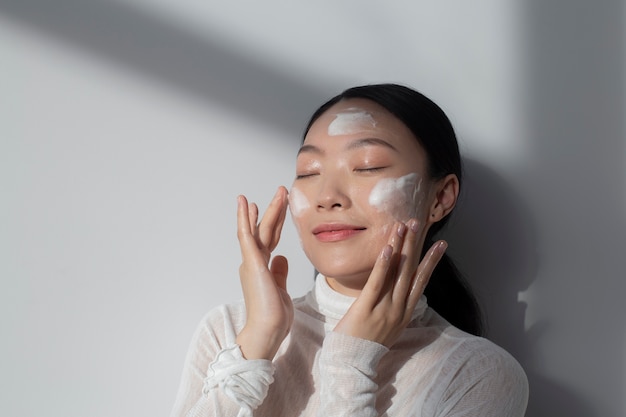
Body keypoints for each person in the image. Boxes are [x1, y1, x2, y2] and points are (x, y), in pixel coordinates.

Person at [170, 84, 529, 417]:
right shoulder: (230, 332)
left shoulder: (476, 372)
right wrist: (257, 343)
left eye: (367, 166)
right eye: (309, 171)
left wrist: (350, 363)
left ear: (439, 198)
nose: (328, 197)